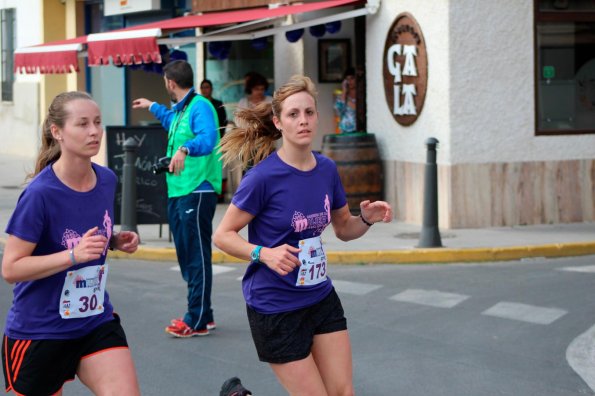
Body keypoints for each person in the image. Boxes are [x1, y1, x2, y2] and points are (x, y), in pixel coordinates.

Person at [213, 75, 392, 395]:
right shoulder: (262, 178)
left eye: (309, 112)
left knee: (342, 392)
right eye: (293, 114)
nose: (303, 120)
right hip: (275, 305)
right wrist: (263, 253)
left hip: (320, 296)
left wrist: (365, 219)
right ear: (278, 122)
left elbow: (343, 229)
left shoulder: (326, 169)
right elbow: (223, 235)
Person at [1, 91, 141, 395]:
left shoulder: (106, 179)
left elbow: (83, 231)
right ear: (58, 132)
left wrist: (114, 240)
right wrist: (73, 256)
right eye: (82, 124)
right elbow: (11, 268)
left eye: (98, 122)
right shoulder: (40, 195)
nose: (94, 131)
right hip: (40, 330)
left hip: (93, 320)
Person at [132, 60, 222, 338]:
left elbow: (208, 139)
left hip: (198, 189)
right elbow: (172, 123)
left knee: (196, 256)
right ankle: (203, 316)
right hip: (180, 190)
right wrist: (152, 106)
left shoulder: (201, 106)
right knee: (186, 254)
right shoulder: (181, 111)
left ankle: (194, 319)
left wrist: (184, 148)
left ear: (170, 83)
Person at [334, 67, 357, 134]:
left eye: (352, 78)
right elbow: (339, 111)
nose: (349, 81)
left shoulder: (362, 94)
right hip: (345, 130)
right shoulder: (342, 96)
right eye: (347, 79)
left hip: (359, 130)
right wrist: (344, 91)